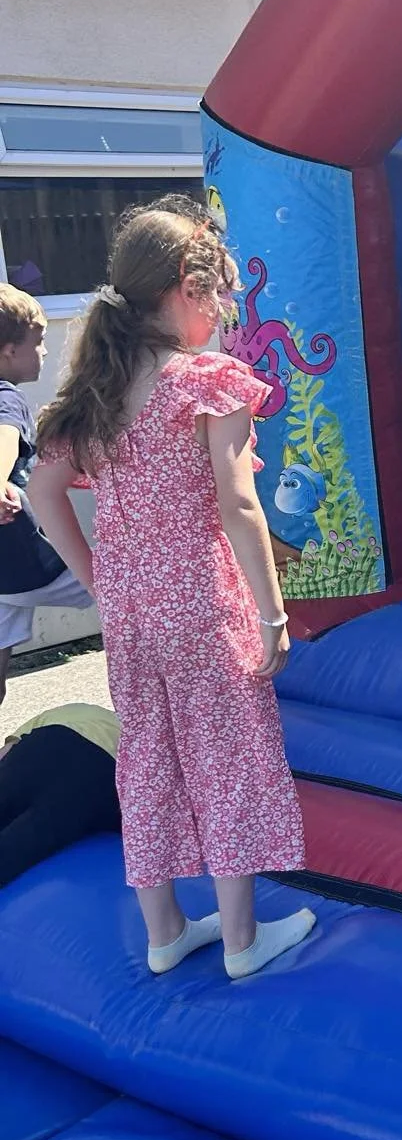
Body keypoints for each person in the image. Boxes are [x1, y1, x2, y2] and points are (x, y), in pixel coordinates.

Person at [29, 205, 313, 980]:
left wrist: (98, 581)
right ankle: (242, 939)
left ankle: (164, 933)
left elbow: (43, 492)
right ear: (185, 291)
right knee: (225, 758)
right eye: (217, 294)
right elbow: (237, 502)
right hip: (202, 605)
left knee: (147, 762)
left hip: (132, 615)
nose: (222, 311)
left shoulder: (98, 387)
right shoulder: (203, 384)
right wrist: (272, 612)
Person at [0, 285, 95, 702]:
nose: (43, 352)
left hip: (4, 577)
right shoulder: (8, 398)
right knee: (120, 594)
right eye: (37, 343)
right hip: (29, 562)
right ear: (7, 352)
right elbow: (4, 439)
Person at [0, 702, 120, 889]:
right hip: (102, 771)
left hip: (48, 742)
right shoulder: (134, 731)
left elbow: (5, 754)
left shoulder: (75, 709)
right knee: (22, 843)